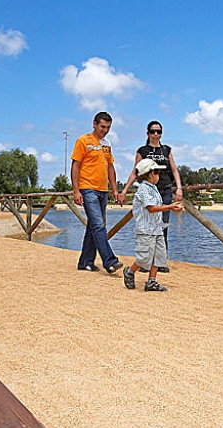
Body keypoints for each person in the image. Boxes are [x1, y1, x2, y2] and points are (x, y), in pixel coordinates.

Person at [119, 120, 183, 273]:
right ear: (148, 133)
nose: (156, 134)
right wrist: (124, 190)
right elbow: (135, 172)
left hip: (166, 190)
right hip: (149, 191)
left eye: (158, 131)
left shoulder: (166, 150)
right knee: (147, 227)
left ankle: (160, 262)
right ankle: (145, 262)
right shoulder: (143, 150)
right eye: (153, 131)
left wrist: (179, 188)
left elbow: (174, 170)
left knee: (162, 227)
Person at [71, 111, 123, 274]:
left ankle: (85, 262)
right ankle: (110, 261)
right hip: (87, 189)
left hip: (103, 190)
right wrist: (76, 191)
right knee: (99, 225)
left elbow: (110, 167)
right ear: (94, 124)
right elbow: (75, 166)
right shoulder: (83, 141)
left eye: (108, 127)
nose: (105, 130)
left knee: (93, 226)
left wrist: (114, 189)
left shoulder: (107, 144)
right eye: (102, 127)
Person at [122, 158, 183, 292]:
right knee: (144, 257)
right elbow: (151, 208)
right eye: (157, 173)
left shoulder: (154, 189)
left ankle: (151, 281)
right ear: (150, 174)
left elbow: (157, 207)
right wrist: (170, 207)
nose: (159, 176)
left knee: (159, 256)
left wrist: (171, 207)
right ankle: (130, 271)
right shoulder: (143, 189)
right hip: (145, 230)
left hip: (157, 229)